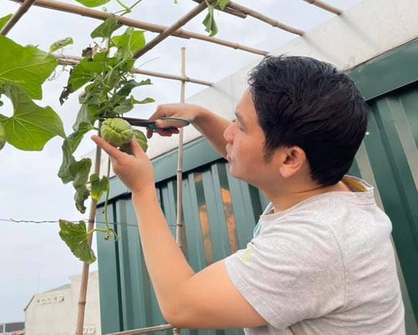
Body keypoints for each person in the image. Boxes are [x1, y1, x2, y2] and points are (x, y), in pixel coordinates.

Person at [92, 55, 406, 334]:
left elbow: (180, 305)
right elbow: (249, 154)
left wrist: (143, 191)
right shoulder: (329, 192)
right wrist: (199, 116)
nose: (228, 134)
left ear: (290, 160)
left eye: (240, 126)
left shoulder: (314, 242)